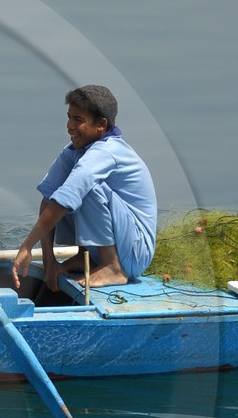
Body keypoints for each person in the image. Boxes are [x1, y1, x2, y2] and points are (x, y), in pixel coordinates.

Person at [11, 85, 156, 296]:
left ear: (101, 125)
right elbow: (49, 197)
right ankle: (85, 254)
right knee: (62, 192)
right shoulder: (75, 151)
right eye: (69, 117)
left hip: (134, 253)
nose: (69, 126)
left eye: (78, 120)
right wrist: (49, 261)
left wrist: (26, 246)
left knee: (84, 188)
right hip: (113, 242)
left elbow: (66, 199)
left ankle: (112, 267)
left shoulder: (107, 152)